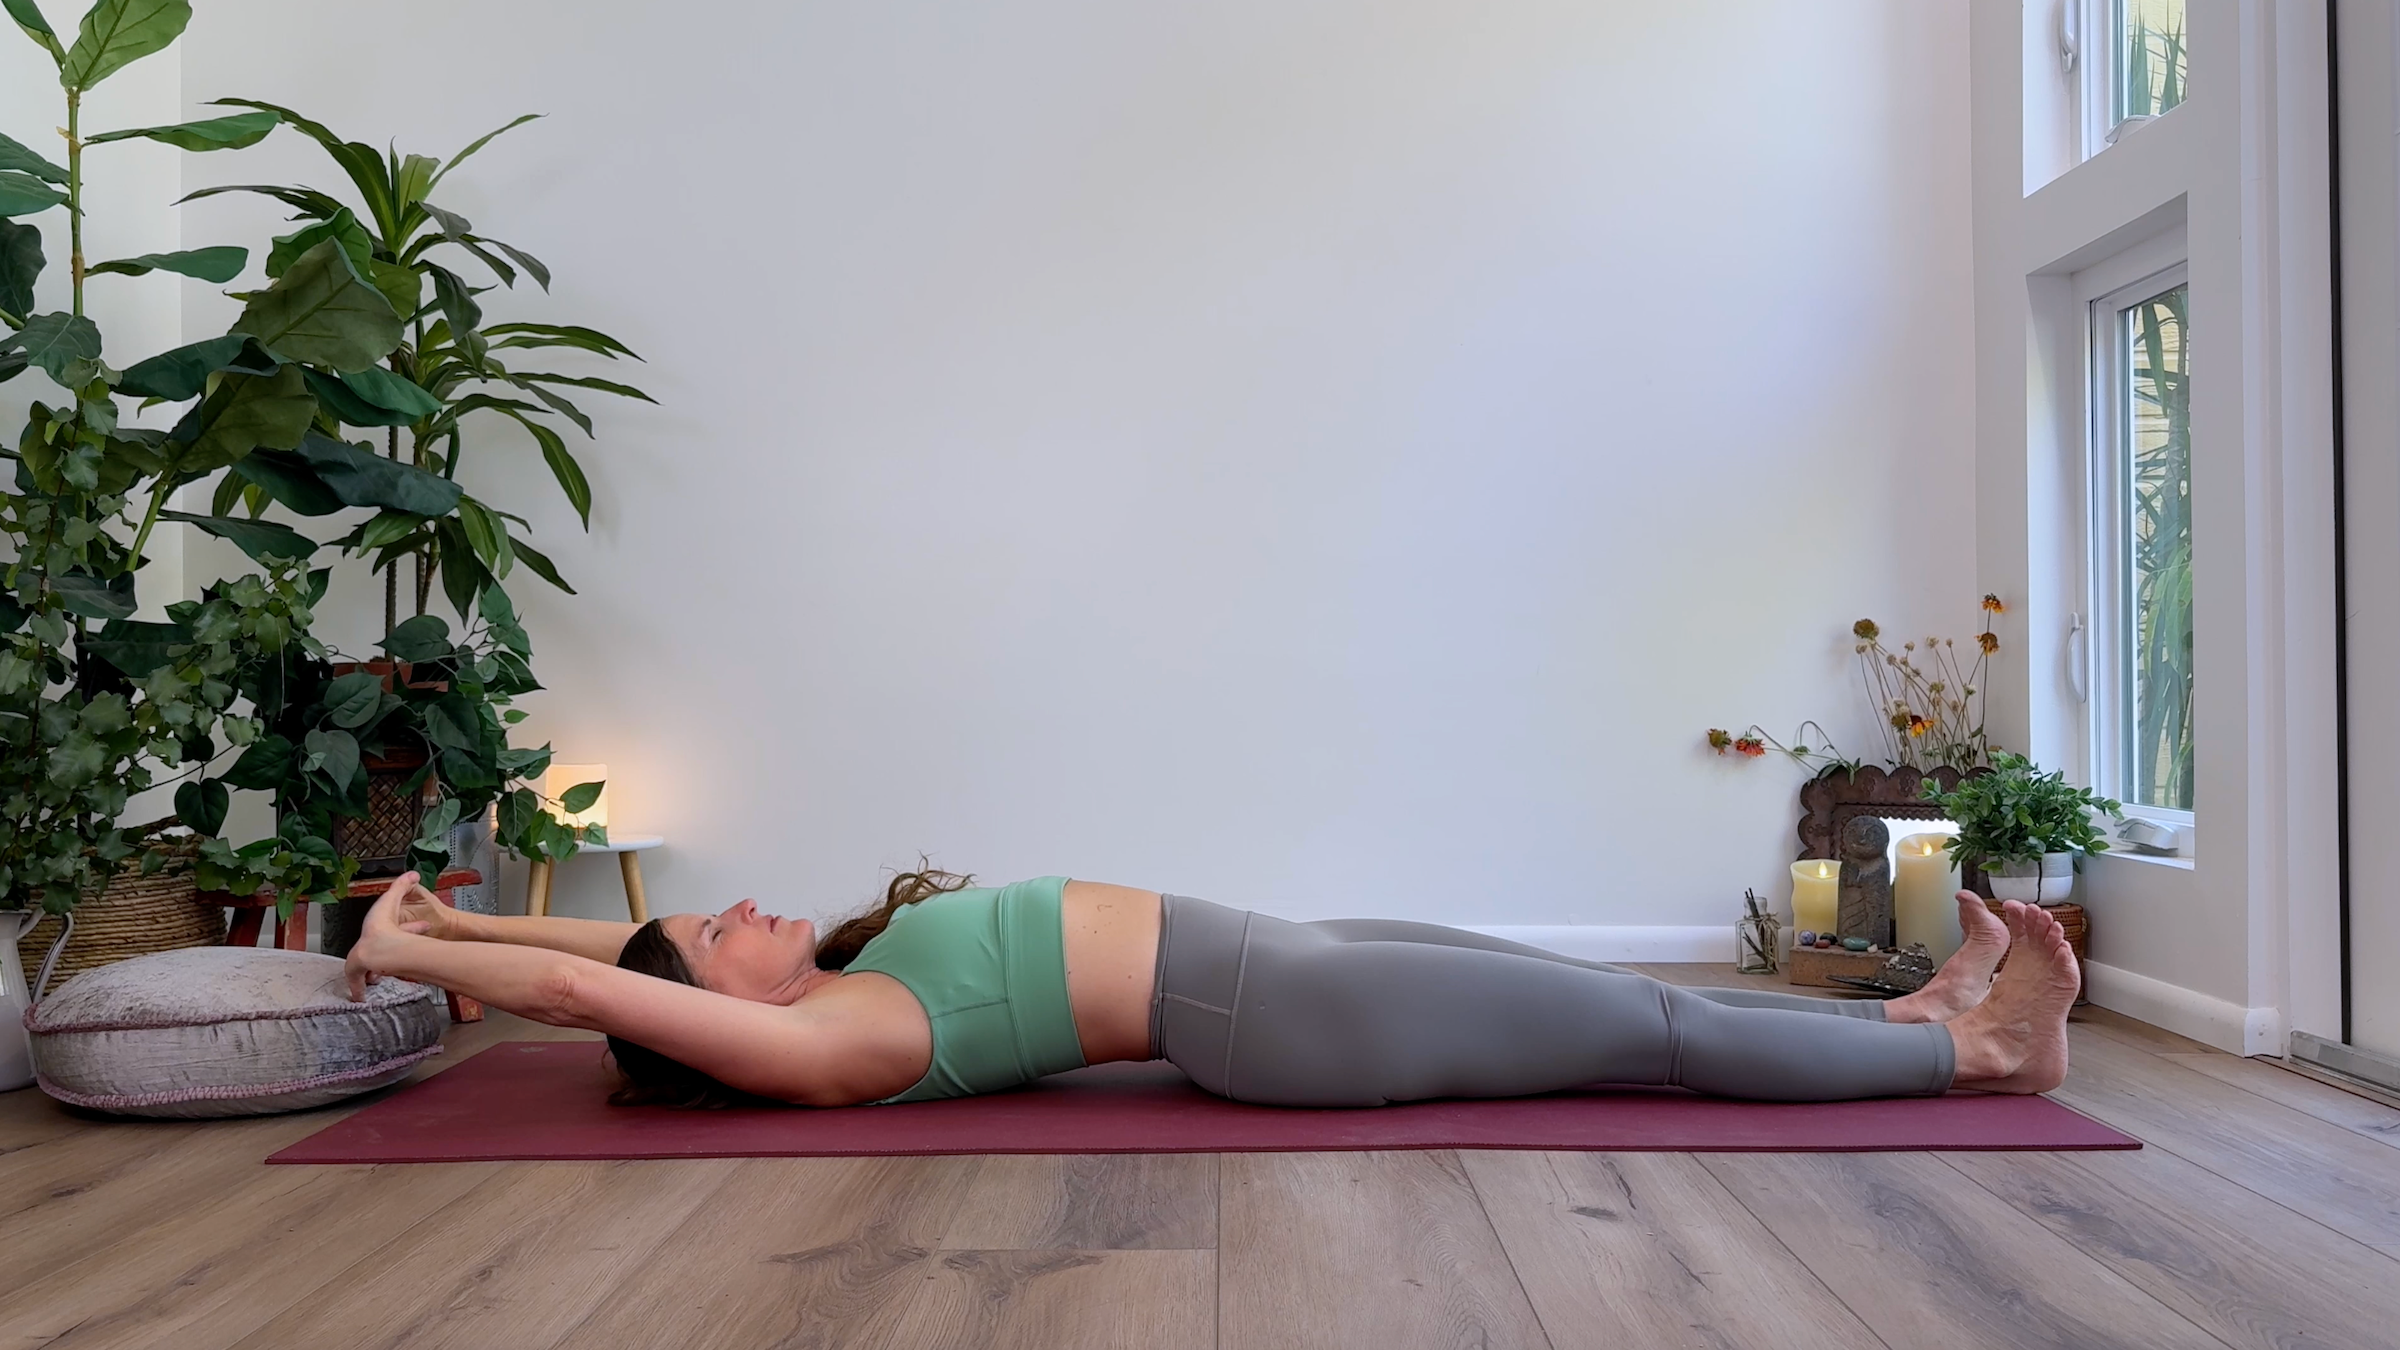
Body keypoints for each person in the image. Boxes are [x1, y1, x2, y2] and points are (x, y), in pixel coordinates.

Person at [342, 867, 2080, 1109]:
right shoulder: (837, 1040)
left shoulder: (840, 976)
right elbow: (610, 990)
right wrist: (403, 956)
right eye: (710, 933)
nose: (733, 907)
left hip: (1276, 959)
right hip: (1281, 1018)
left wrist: (452, 927)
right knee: (1657, 1031)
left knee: (1591, 982)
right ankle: (1983, 1064)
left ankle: (1900, 1018)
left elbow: (601, 958)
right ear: (722, 1009)